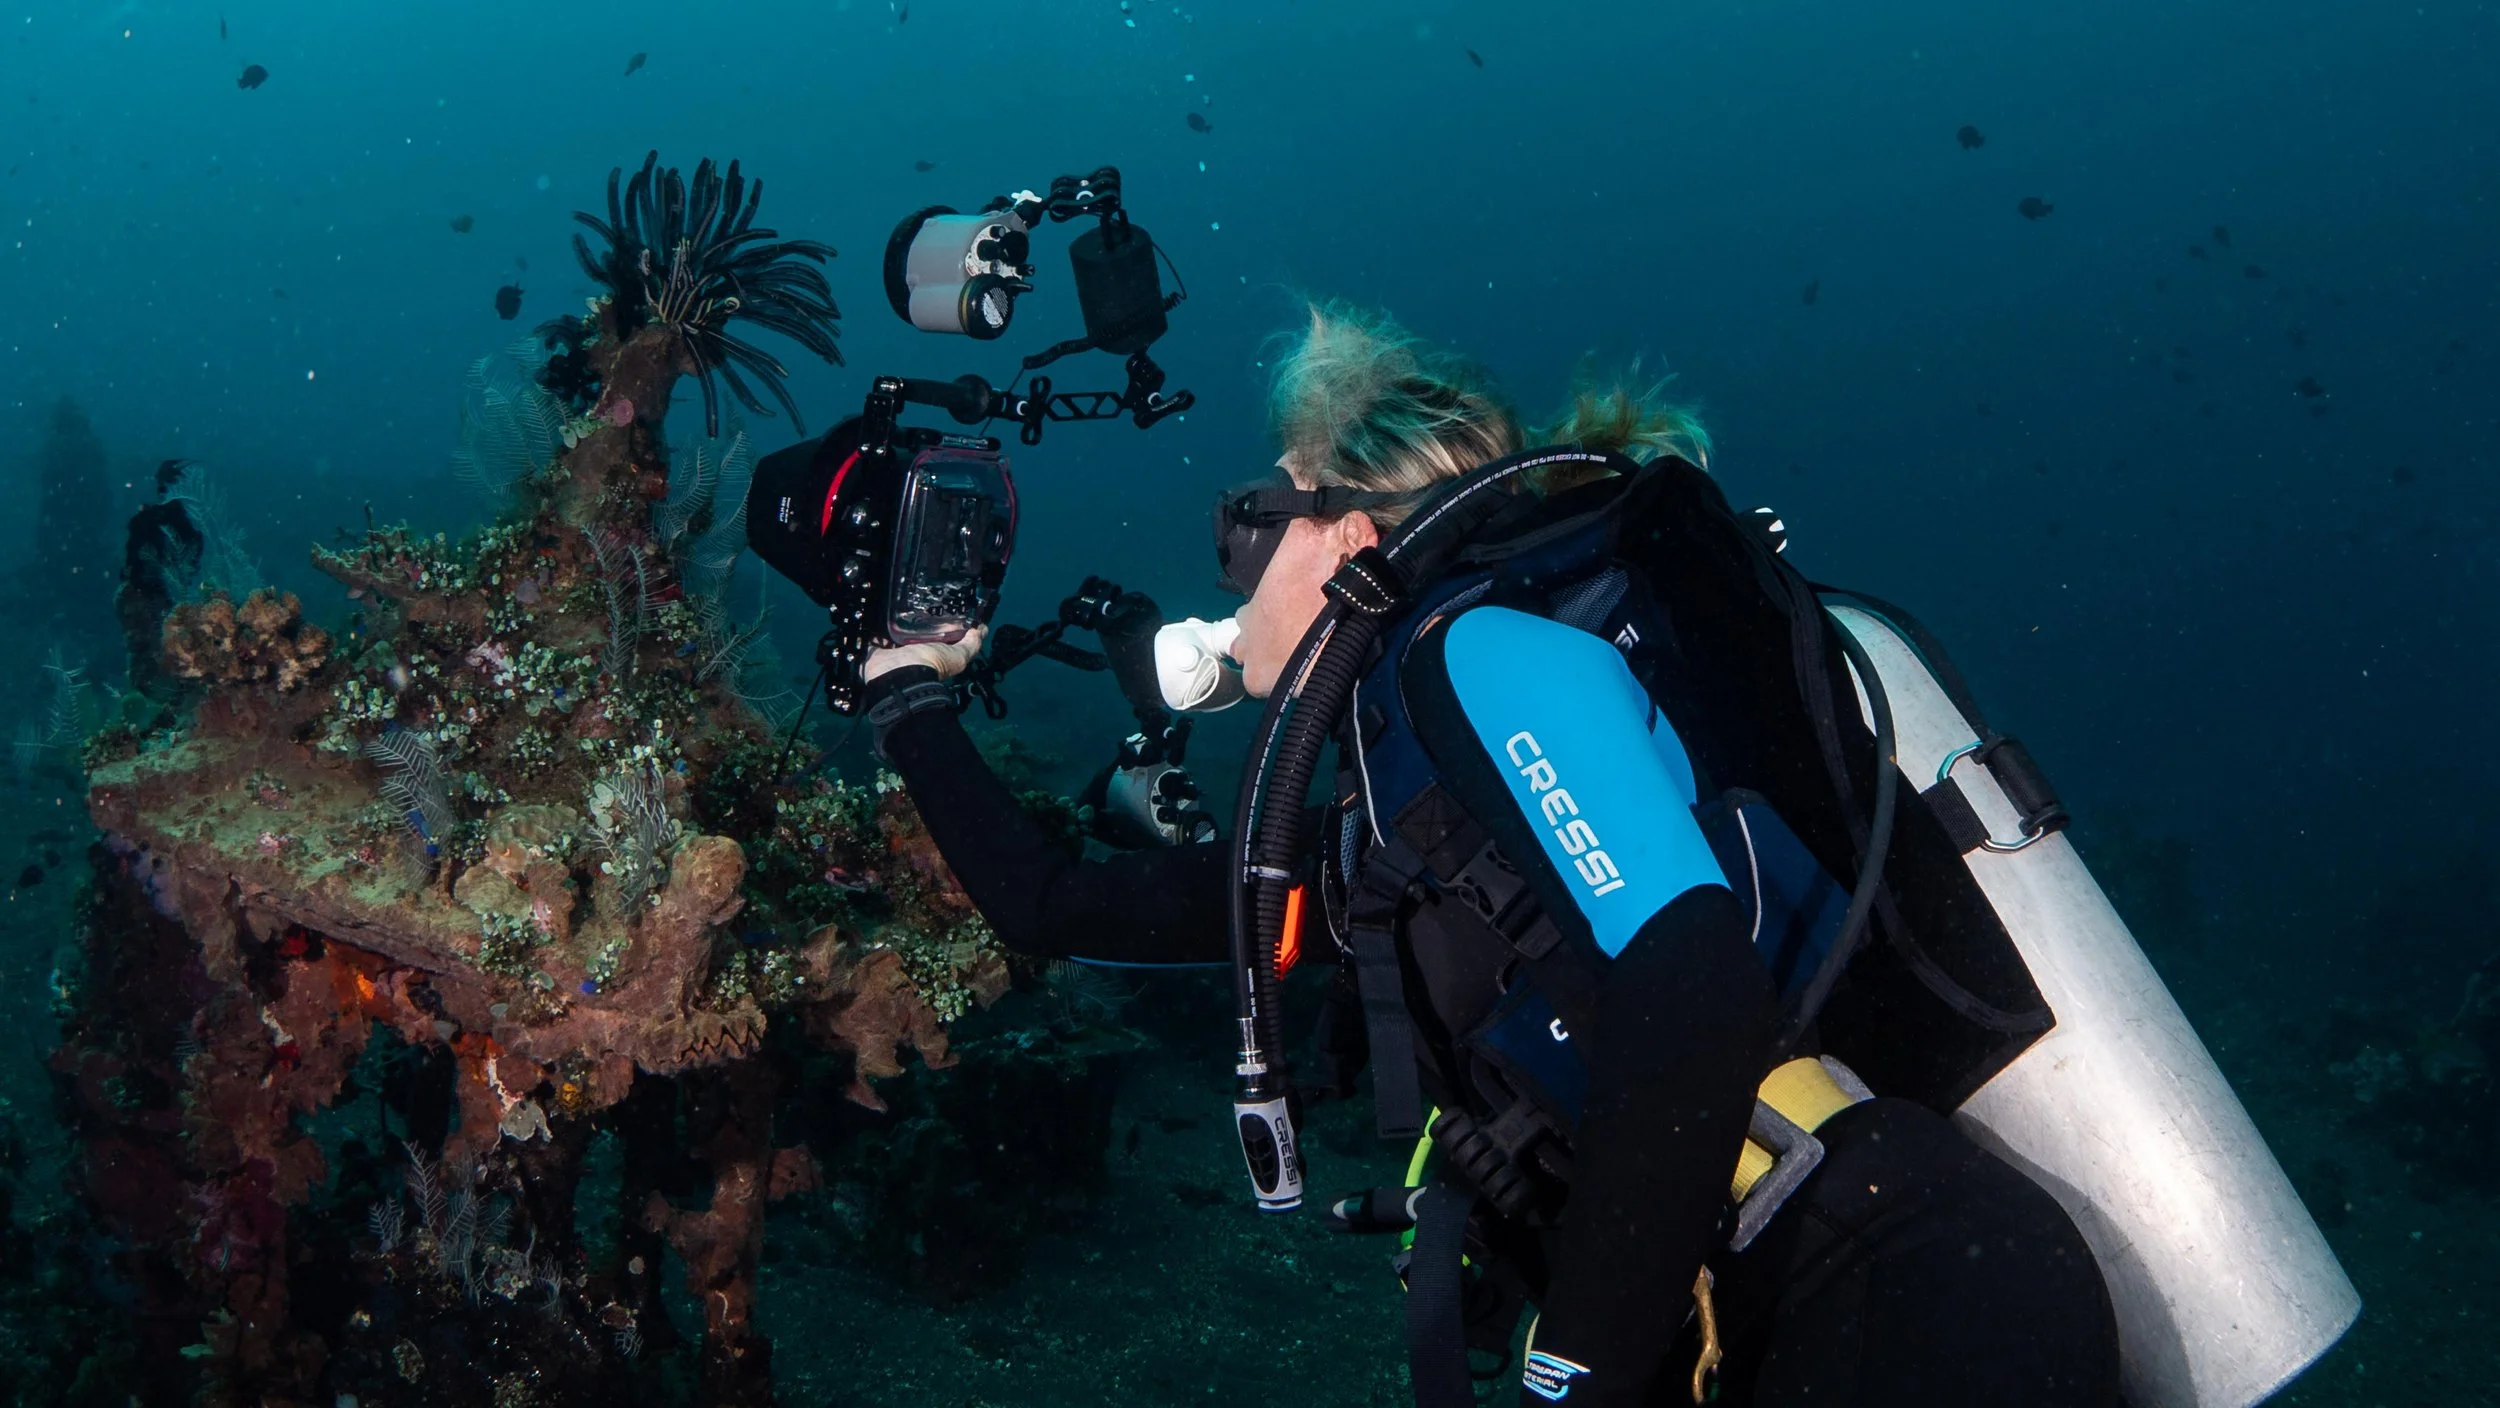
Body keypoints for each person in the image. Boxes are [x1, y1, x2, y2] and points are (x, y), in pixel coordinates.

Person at [856, 303, 2120, 1406]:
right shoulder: (1391, 812)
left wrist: (1576, 1373)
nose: (1233, 575)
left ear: (1349, 537)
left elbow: (1687, 987)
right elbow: (1053, 900)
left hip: (1888, 1278)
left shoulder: (1476, 655)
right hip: (1791, 1298)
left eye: (1248, 524)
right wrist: (909, 700)